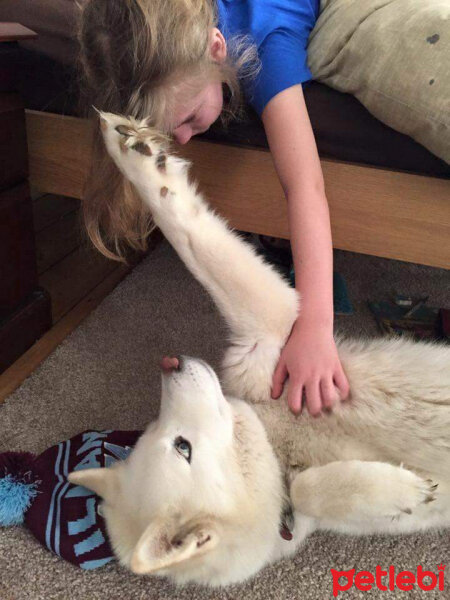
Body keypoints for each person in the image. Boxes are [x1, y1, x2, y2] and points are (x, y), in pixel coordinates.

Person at [78, 0, 350, 417]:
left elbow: (306, 187)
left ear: (217, 48)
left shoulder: (267, 52)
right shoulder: (161, 35)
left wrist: (315, 327)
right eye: (170, 132)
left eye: (187, 118)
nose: (184, 140)